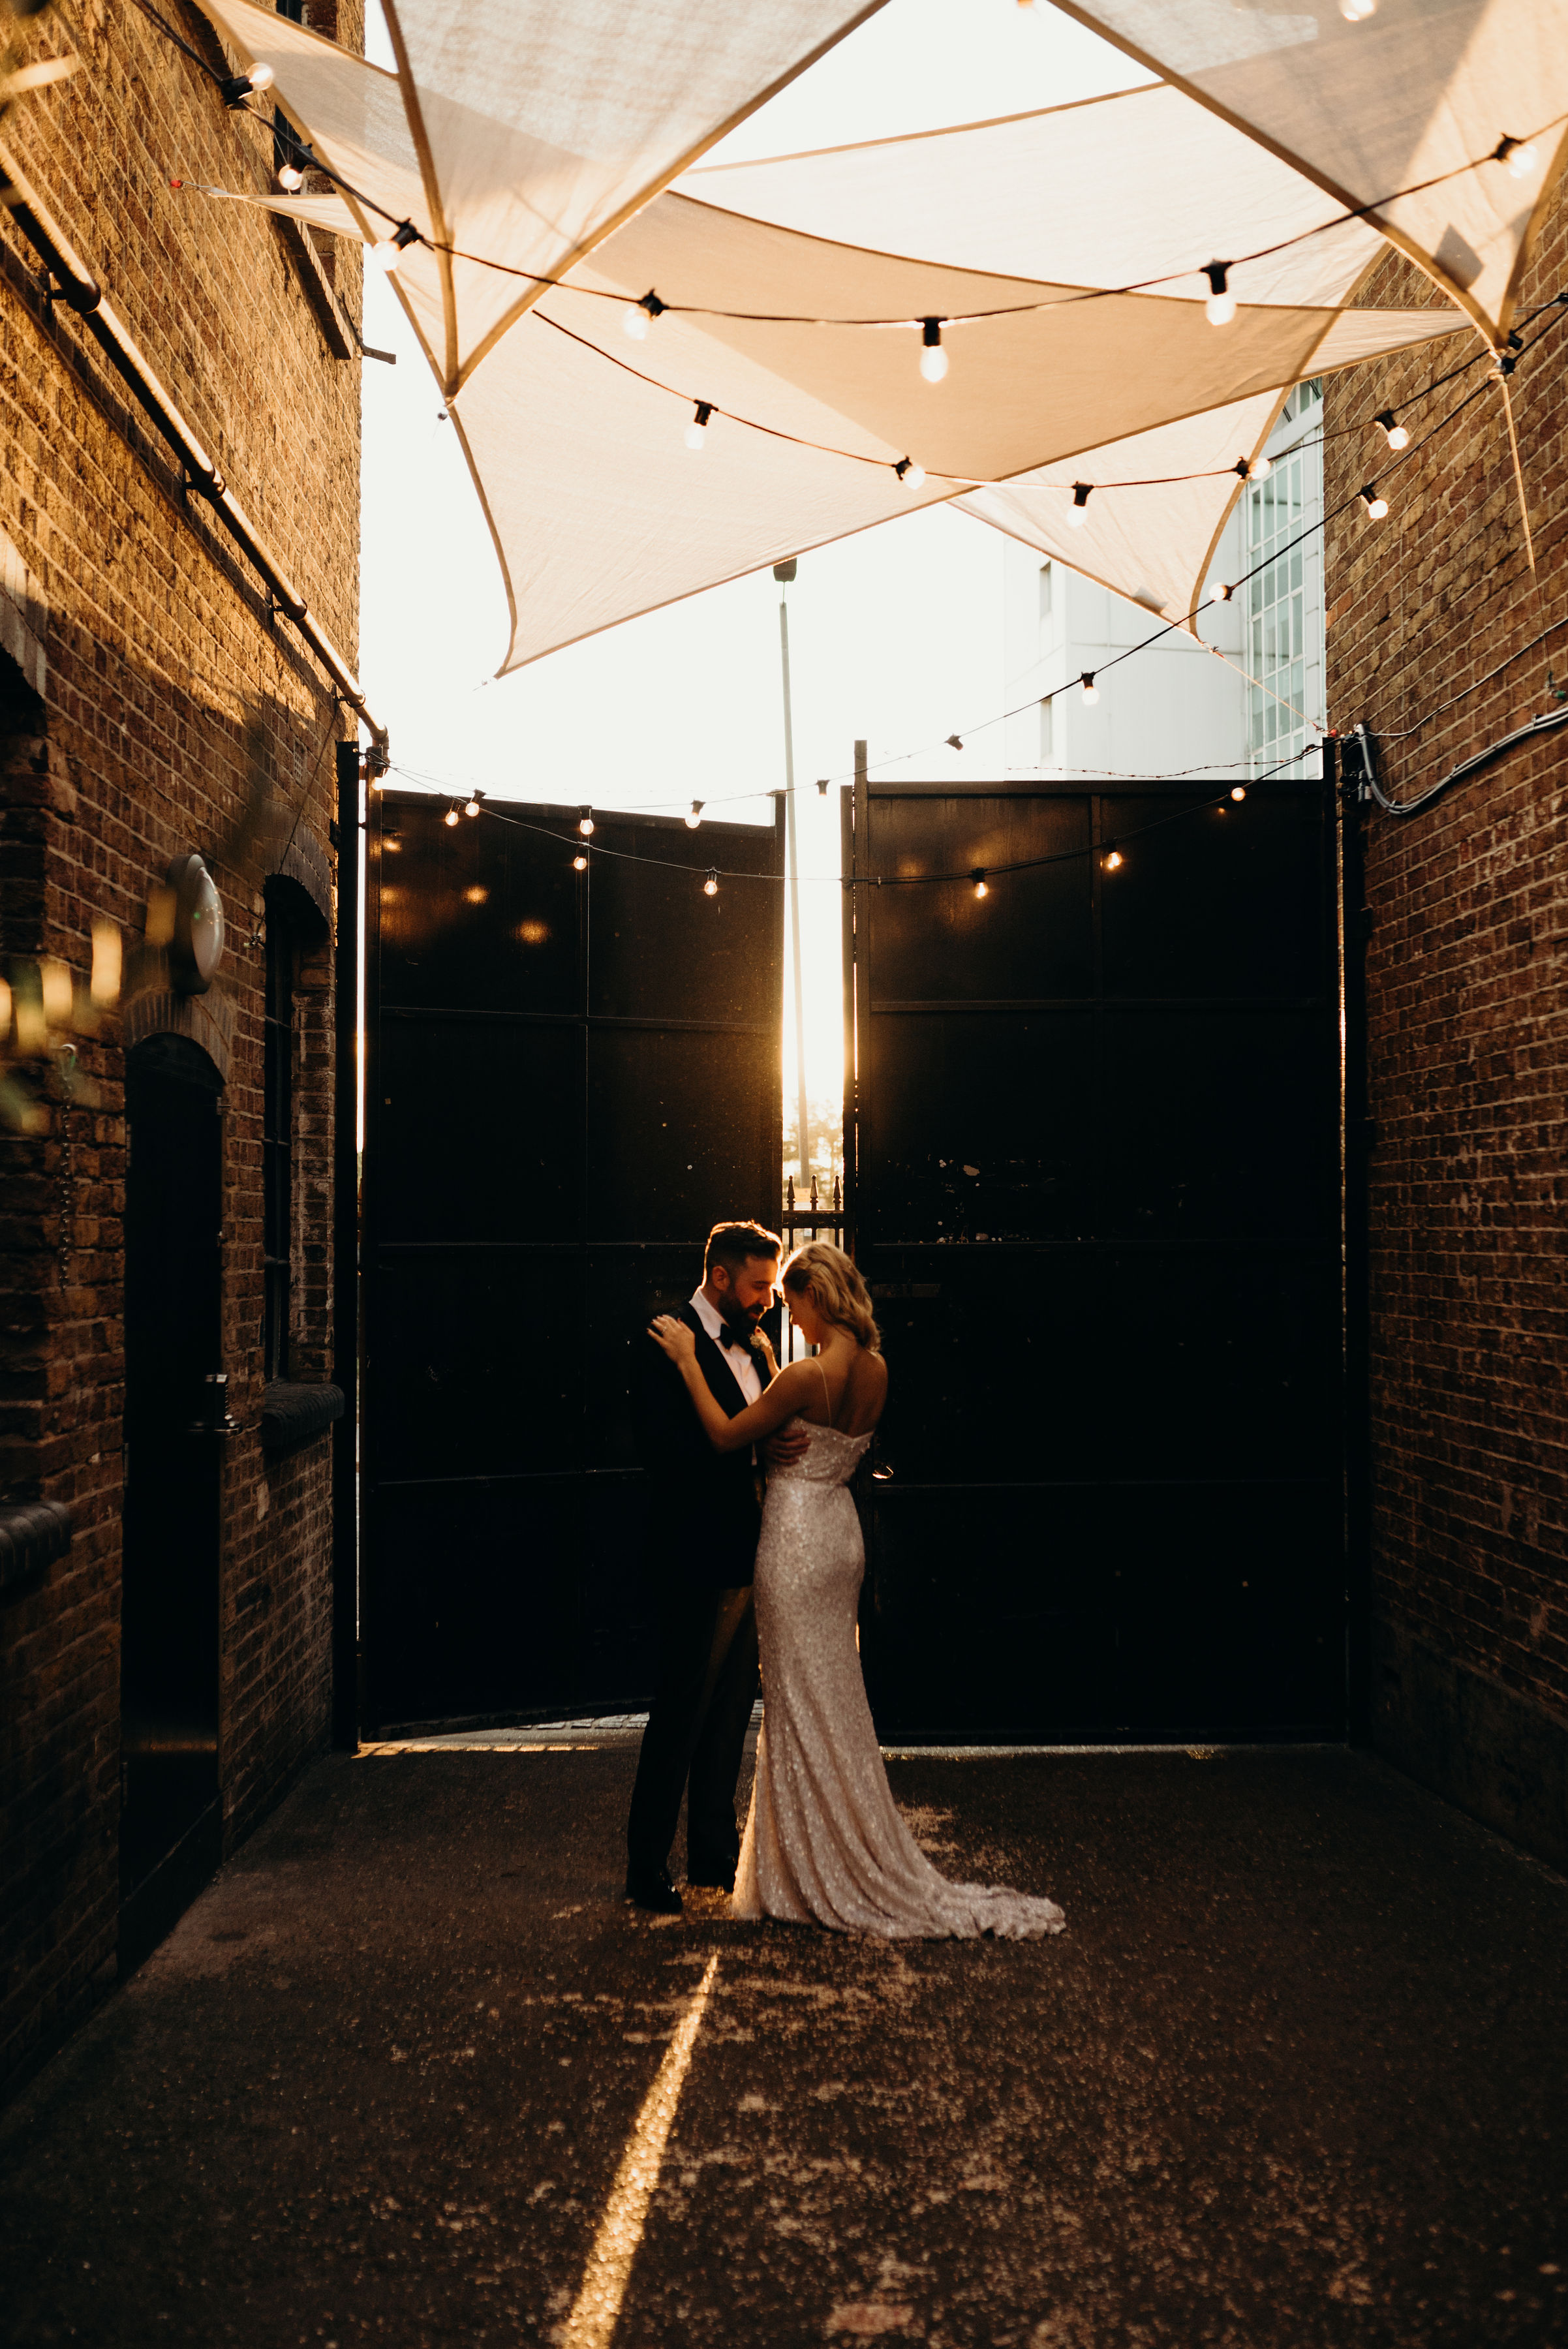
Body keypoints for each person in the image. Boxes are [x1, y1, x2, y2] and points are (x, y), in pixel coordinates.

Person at [649, 1240, 1066, 1940]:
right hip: (840, 1539)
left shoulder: (805, 1376)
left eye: (791, 1303)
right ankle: (837, 1845)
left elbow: (724, 1437)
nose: (789, 1316)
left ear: (817, 1295)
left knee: (794, 1700)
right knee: (835, 1694)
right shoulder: (875, 1370)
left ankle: (807, 1865)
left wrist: (691, 1361)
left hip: (793, 1542)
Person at [624, 1220, 805, 1914]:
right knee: (681, 1710)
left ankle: (713, 1857)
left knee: (731, 1710)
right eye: (759, 1286)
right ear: (721, 1276)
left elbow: (754, 1424)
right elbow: (664, 1452)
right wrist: (748, 1451)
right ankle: (646, 1866)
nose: (768, 1300)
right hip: (695, 1553)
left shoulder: (757, 1343)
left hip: (750, 1551)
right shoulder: (664, 1342)